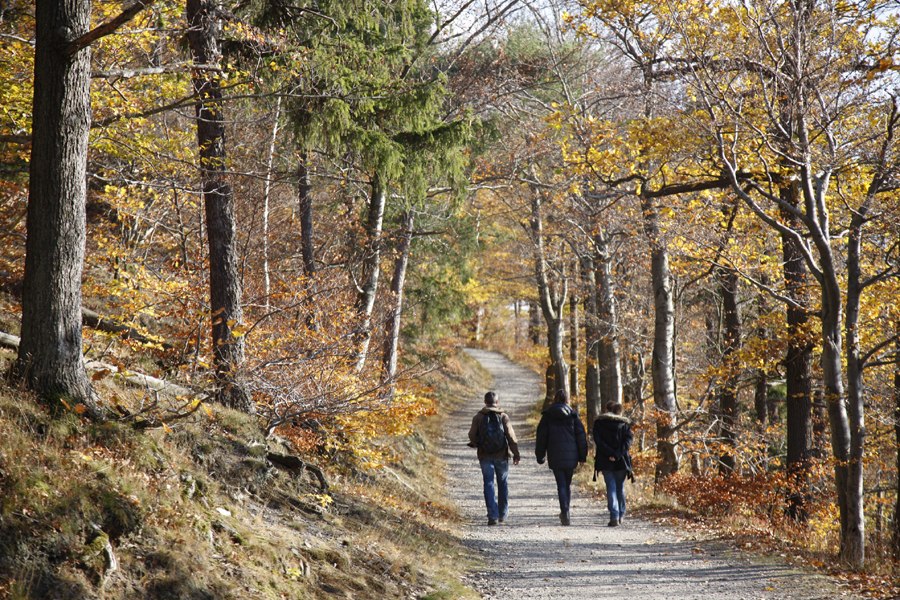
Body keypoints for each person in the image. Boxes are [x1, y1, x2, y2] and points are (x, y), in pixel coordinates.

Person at [535, 389, 587, 526]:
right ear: (567, 400)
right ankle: (566, 511)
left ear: (555, 399)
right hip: (571, 456)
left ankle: (565, 512)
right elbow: (581, 437)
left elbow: (541, 438)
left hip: (555, 455)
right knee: (567, 484)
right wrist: (582, 457)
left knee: (561, 485)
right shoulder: (573, 416)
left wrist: (540, 456)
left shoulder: (547, 416)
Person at [468, 391, 520, 525]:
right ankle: (503, 513)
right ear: (497, 402)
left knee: (488, 483)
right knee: (503, 483)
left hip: (485, 455)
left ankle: (492, 515)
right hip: (501, 455)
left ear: (485, 402)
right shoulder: (503, 416)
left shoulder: (478, 417)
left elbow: (472, 435)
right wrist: (516, 453)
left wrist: (477, 443)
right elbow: (511, 436)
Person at [593, 401, 634, 527]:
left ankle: (614, 515)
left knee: (610, 487)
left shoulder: (599, 424)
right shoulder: (624, 425)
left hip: (605, 461)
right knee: (619, 487)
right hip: (621, 461)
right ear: (619, 411)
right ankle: (621, 514)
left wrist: (609, 454)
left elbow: (598, 441)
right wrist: (617, 454)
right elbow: (628, 442)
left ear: (607, 410)